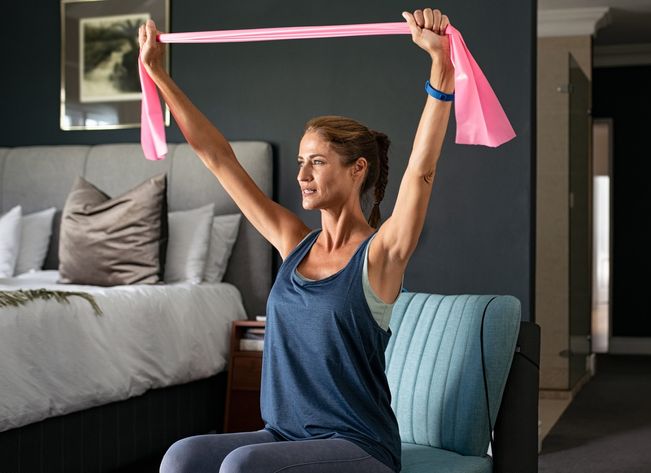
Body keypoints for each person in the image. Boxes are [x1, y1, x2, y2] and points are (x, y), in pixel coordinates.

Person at [139, 8, 454, 473]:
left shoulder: (380, 257)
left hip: (359, 444)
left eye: (318, 162)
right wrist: (157, 73)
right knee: (182, 457)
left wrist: (441, 69)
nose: (302, 174)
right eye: (301, 161)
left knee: (242, 466)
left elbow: (420, 173)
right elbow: (218, 158)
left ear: (357, 169)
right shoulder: (294, 243)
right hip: (283, 435)